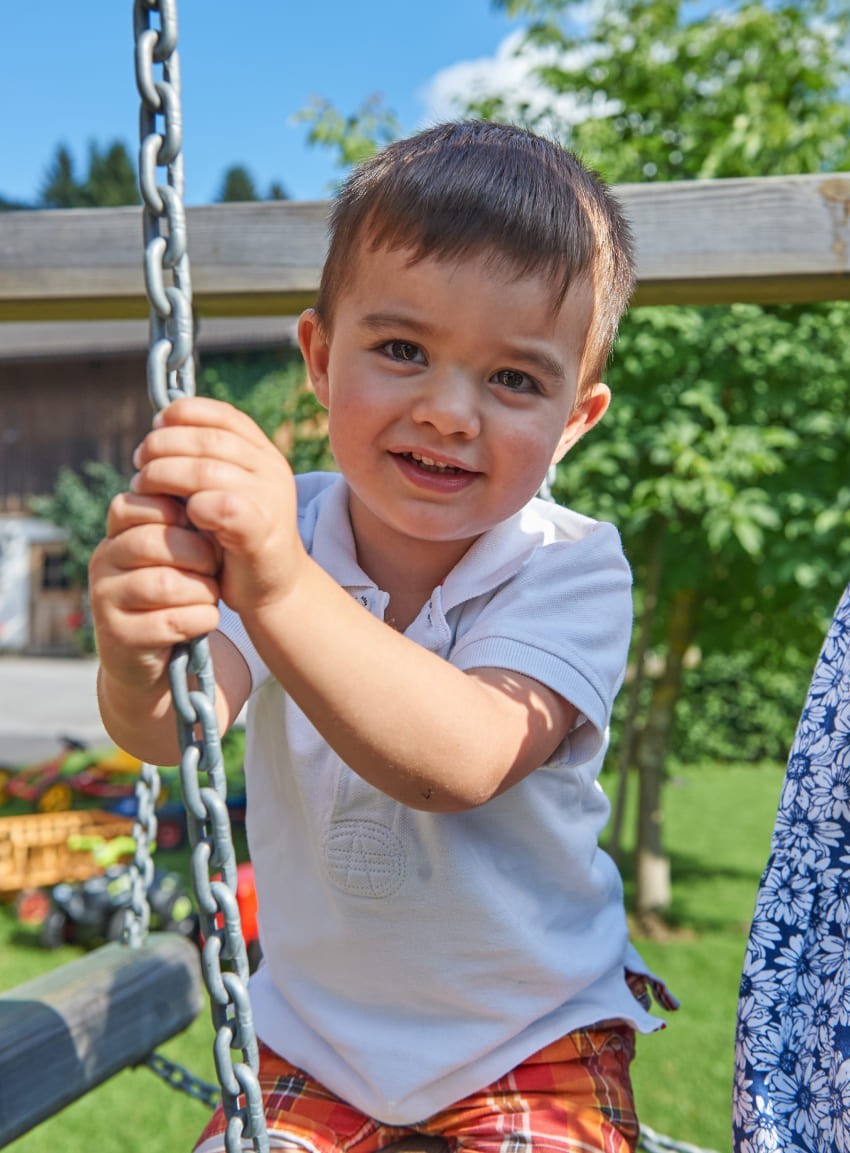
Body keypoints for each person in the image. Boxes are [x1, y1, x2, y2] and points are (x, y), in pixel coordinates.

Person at [89, 120, 675, 1153]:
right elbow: (172, 728)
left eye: (514, 380)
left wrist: (271, 578)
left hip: (528, 1036)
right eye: (402, 350)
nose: (449, 411)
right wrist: (139, 640)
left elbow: (460, 758)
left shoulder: (569, 565)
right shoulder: (283, 524)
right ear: (320, 357)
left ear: (575, 422)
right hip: (309, 1038)